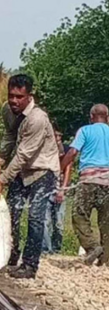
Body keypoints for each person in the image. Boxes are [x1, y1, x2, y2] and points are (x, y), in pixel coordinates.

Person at [0, 74, 60, 279]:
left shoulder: (38, 119)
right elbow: (10, 136)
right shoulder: (8, 110)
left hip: (42, 170)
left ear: (29, 96)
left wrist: (2, 179)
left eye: (19, 97)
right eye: (11, 96)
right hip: (21, 170)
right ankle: (10, 256)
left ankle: (30, 265)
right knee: (10, 213)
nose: (14, 101)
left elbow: (24, 154)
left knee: (35, 218)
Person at [60, 104, 109, 265]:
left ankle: (92, 246)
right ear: (107, 118)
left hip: (88, 181)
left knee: (79, 215)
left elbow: (73, 152)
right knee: (106, 222)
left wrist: (60, 169)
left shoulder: (85, 131)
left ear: (91, 117)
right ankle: (106, 262)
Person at [42, 127, 72, 254]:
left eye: (59, 136)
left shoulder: (66, 150)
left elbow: (68, 170)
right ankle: (46, 249)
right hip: (46, 189)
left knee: (59, 223)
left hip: (59, 188)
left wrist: (62, 189)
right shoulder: (45, 150)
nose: (57, 139)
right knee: (45, 221)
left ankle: (56, 248)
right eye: (55, 136)